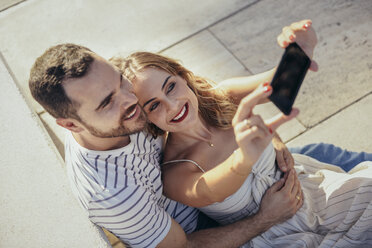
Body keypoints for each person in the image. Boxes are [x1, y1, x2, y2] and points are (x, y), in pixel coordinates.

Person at [28, 20, 369, 247]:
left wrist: (302, 46)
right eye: (153, 106)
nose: (130, 99)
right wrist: (246, 160)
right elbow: (202, 193)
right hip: (261, 230)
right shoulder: (119, 192)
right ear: (71, 124)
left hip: (308, 184)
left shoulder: (199, 99)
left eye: (121, 83)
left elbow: (278, 83)